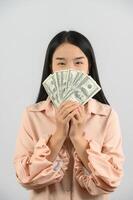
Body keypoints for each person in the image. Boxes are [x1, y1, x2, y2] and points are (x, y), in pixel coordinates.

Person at [13, 30, 125, 200]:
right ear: (51, 68)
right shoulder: (32, 115)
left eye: (78, 62)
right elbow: (25, 178)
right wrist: (58, 135)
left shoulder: (107, 116)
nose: (70, 70)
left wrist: (78, 138)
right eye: (61, 63)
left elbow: (110, 182)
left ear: (89, 67)